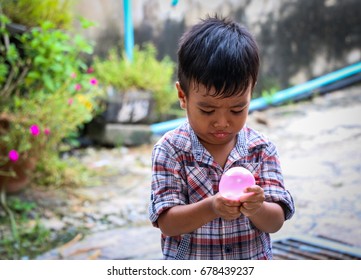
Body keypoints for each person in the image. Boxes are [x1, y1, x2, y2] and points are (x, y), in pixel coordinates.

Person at [148, 15, 295, 260]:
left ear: (251, 92)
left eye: (237, 109)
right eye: (207, 110)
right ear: (182, 96)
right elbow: (167, 223)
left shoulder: (261, 149)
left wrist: (257, 208)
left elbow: (275, 221)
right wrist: (211, 207)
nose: (222, 122)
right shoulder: (171, 150)